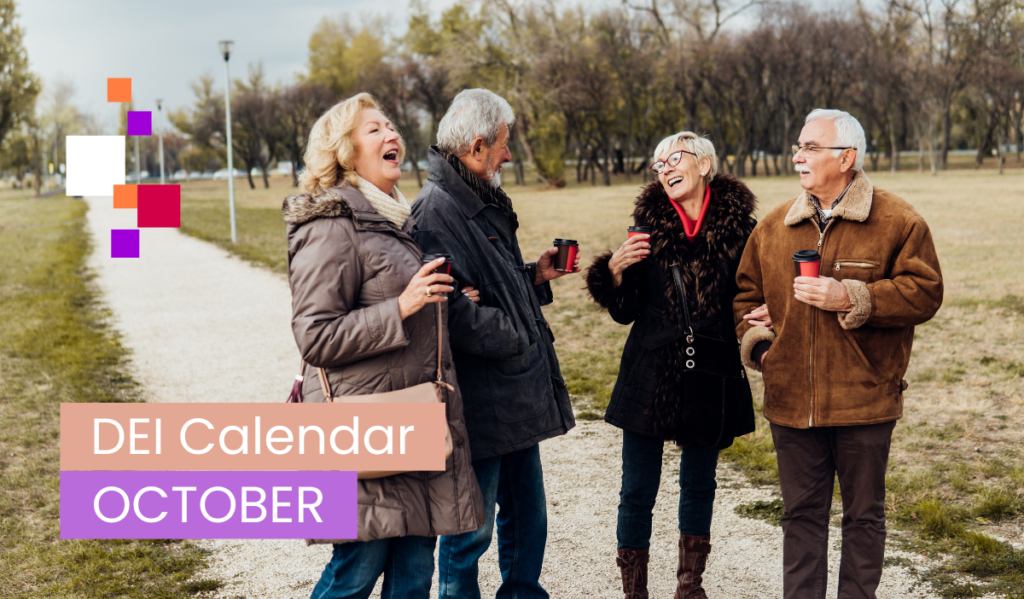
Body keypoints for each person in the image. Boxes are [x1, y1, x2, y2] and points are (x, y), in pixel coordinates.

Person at [282, 92, 485, 599]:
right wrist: (403, 306)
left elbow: (395, 293)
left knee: (415, 575)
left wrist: (443, 299)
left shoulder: (395, 220)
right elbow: (315, 335)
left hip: (414, 419)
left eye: (390, 125)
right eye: (374, 129)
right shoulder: (329, 225)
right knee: (356, 570)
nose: (391, 134)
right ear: (346, 152)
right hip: (365, 424)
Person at [734, 109, 943, 599]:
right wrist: (765, 352)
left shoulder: (899, 221)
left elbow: (924, 292)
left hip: (864, 400)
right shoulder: (772, 228)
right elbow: (745, 299)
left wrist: (852, 297)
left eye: (810, 147)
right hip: (791, 402)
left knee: (864, 517)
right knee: (800, 517)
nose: (797, 155)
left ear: (846, 158)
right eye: (798, 146)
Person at [409, 88, 578, 599]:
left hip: (514, 390)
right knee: (470, 531)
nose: (509, 154)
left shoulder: (479, 199)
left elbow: (490, 290)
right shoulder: (435, 211)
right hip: (479, 400)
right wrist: (518, 334)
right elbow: (450, 311)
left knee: (529, 516)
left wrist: (534, 276)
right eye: (505, 144)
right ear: (478, 146)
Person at [584, 131, 757, 599]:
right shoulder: (647, 227)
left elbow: (752, 295)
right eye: (657, 163)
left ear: (704, 164)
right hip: (651, 371)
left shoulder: (743, 229)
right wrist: (615, 270)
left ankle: (689, 585)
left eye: (673, 158)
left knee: (700, 483)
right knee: (638, 488)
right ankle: (634, 590)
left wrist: (763, 313)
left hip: (713, 370)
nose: (664, 168)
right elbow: (625, 311)